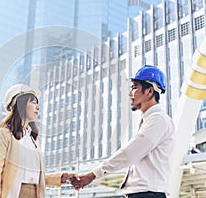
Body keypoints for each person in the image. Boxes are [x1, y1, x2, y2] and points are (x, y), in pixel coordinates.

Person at [71, 65, 175, 198]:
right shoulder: (150, 120)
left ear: (149, 91)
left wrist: (93, 175)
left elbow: (130, 153)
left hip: (148, 194)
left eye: (134, 87)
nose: (130, 93)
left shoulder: (158, 120)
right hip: (144, 193)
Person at [0, 84, 78, 198]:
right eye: (33, 102)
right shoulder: (4, 134)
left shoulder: (33, 139)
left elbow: (35, 177)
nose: (38, 107)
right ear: (21, 104)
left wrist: (62, 177)